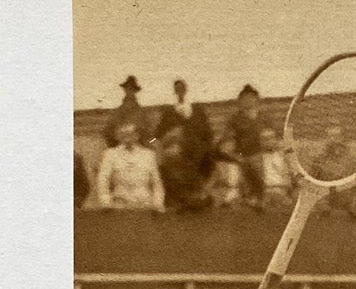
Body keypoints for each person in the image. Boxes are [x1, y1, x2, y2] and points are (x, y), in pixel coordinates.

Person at [154, 79, 216, 210]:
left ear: (186, 89)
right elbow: (155, 137)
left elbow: (209, 135)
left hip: (197, 156)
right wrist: (159, 147)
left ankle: (199, 199)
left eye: (182, 88)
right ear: (174, 91)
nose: (180, 91)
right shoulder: (168, 113)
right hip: (177, 157)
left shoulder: (197, 111)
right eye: (177, 89)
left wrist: (206, 150)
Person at [93, 121, 164, 210]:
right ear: (118, 136)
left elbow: (157, 183)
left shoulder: (149, 155)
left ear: (137, 135)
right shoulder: (110, 154)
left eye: (131, 134)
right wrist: (106, 202)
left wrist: (158, 203)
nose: (127, 138)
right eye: (123, 134)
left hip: (145, 204)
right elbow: (103, 180)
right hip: (119, 204)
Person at [229, 84, 267, 206]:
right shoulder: (235, 119)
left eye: (251, 98)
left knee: (259, 165)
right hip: (241, 155)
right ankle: (248, 197)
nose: (248, 102)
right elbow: (228, 138)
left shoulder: (263, 117)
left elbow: (272, 135)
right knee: (245, 167)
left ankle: (260, 198)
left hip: (260, 153)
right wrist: (236, 155)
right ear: (240, 101)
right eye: (244, 99)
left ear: (256, 100)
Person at [103, 74, 145, 144]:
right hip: (119, 147)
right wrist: (115, 144)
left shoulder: (142, 113)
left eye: (132, 89)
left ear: (135, 91)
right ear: (125, 90)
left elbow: (150, 135)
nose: (130, 91)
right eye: (128, 88)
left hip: (138, 148)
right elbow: (107, 131)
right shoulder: (117, 112)